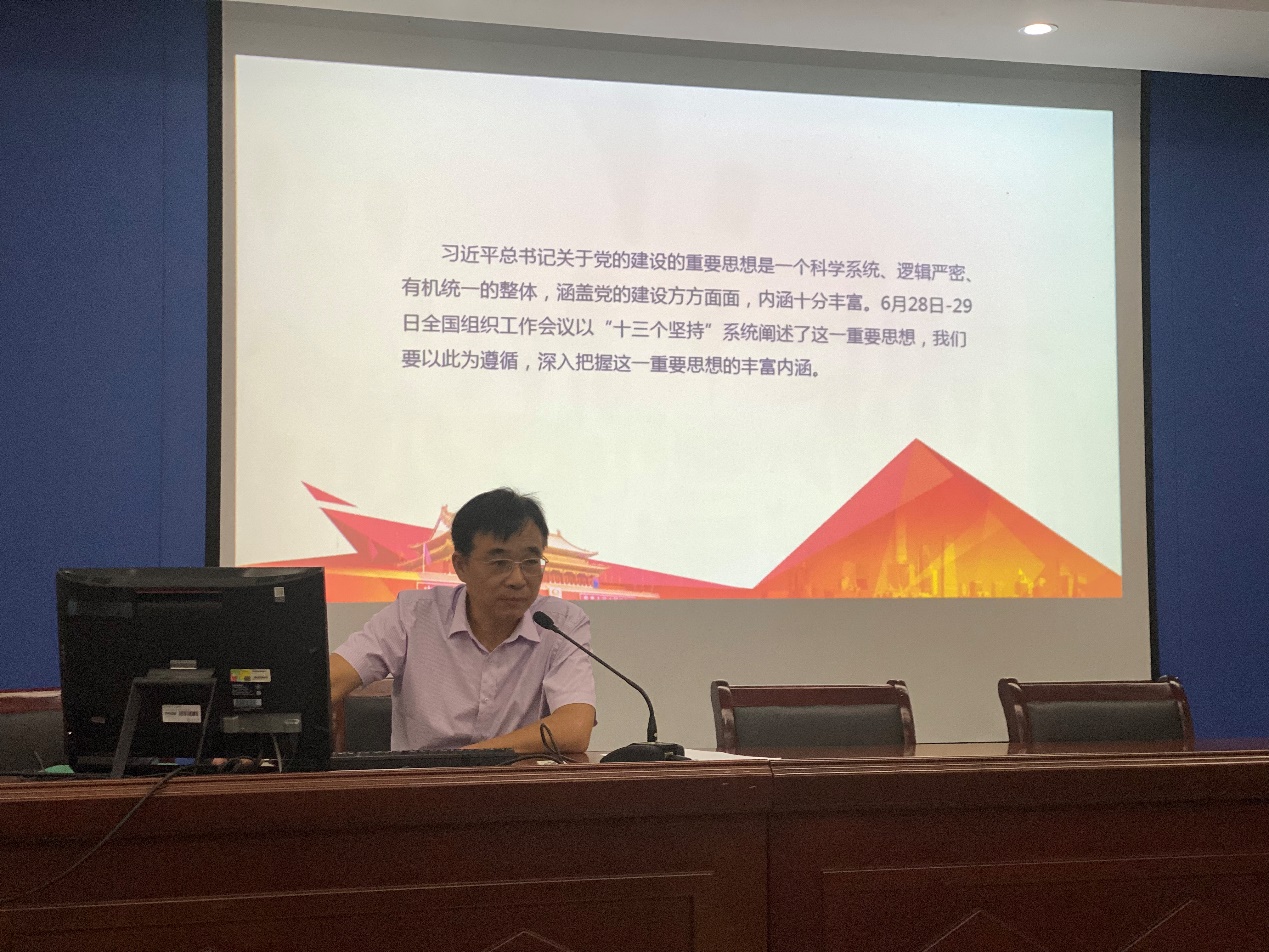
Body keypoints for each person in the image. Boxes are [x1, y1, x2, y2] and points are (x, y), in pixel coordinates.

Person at [329, 488, 596, 753]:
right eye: (500, 562)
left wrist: (464, 759)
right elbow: (333, 679)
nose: (517, 579)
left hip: (514, 778)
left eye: (530, 561)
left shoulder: (560, 623)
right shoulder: (413, 614)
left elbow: (574, 728)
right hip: (421, 779)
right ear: (461, 565)